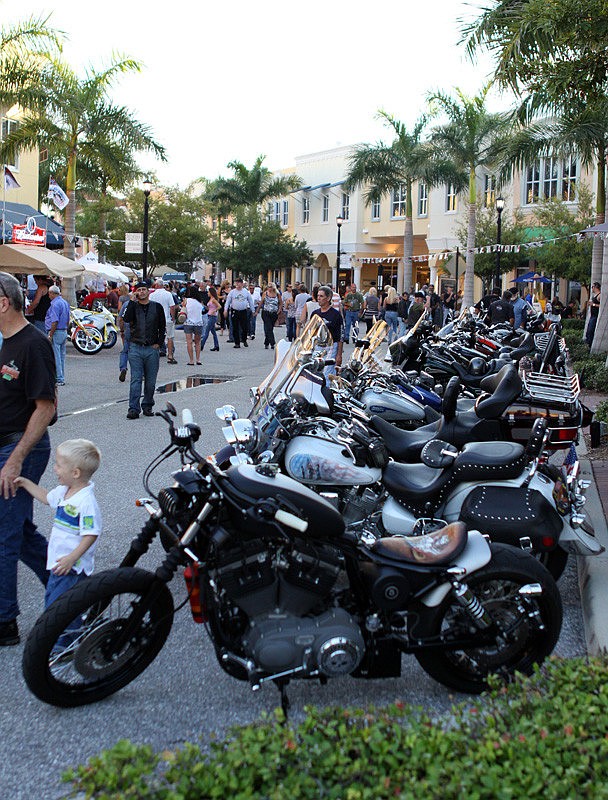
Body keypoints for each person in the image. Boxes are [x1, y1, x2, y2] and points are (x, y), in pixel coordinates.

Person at [0, 271, 56, 646]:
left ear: (3, 302)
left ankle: (5, 620)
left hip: (23, 447)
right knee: (19, 530)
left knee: (4, 535)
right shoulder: (5, 342)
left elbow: (46, 407)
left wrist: (16, 459)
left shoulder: (33, 344)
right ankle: (70, 589)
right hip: (7, 445)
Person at [14, 439, 102, 624]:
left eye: (59, 465)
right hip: (59, 562)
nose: (55, 468)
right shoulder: (64, 491)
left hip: (72, 567)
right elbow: (46, 498)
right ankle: (63, 639)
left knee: (63, 610)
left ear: (75, 473)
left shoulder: (85, 501)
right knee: (54, 603)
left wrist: (72, 558)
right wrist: (25, 483)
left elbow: (91, 533)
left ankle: (64, 647)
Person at [123, 280, 166, 420]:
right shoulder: (133, 307)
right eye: (139, 290)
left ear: (148, 291)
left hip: (151, 348)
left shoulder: (157, 307)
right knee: (136, 379)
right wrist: (131, 301)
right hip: (136, 347)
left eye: (143, 290)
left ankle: (147, 405)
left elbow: (162, 326)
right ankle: (133, 408)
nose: (141, 292)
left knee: (150, 381)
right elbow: (127, 319)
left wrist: (159, 343)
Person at [311, 285, 344, 379]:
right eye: (318, 296)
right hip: (318, 347)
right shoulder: (315, 314)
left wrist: (339, 355)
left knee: (326, 373)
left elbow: (340, 336)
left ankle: (327, 390)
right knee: (314, 372)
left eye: (321, 296)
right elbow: (311, 332)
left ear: (328, 298)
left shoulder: (335, 315)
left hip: (331, 347)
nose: (318, 298)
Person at [45, 284, 70, 386]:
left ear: (52, 293)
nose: (49, 295)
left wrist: (50, 334)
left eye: (49, 293)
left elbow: (54, 321)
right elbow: (68, 318)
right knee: (61, 356)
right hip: (63, 330)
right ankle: (61, 376)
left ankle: (59, 378)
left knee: (56, 356)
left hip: (56, 331)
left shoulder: (55, 304)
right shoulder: (64, 303)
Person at [150, 279, 178, 363]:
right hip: (167, 318)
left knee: (154, 337)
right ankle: (170, 355)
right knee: (170, 337)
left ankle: (154, 354)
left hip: (155, 319)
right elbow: (172, 307)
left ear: (157, 285)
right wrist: (173, 317)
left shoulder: (152, 295)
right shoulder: (168, 294)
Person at [224, 277, 254, 348]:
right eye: (236, 283)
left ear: (242, 284)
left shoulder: (246, 292)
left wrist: (253, 311)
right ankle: (237, 342)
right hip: (235, 311)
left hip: (243, 311)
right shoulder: (232, 292)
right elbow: (228, 302)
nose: (238, 284)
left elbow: (250, 301)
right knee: (235, 327)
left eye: (239, 283)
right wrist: (225, 310)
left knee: (244, 327)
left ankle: (244, 339)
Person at [181, 284, 204, 365]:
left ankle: (191, 360)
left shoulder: (186, 300)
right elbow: (203, 310)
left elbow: (183, 309)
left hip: (188, 322)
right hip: (198, 323)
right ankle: (198, 359)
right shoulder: (200, 301)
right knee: (198, 342)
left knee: (189, 342)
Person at [256, 282, 282, 350]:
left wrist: (279, 310)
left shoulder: (277, 294)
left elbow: (280, 303)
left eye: (270, 287)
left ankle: (266, 342)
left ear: (273, 287)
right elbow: (261, 302)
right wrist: (257, 311)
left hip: (274, 313)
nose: (269, 288)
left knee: (270, 328)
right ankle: (272, 343)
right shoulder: (265, 293)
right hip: (266, 312)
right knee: (268, 327)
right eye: (268, 287)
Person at [117, 284, 132, 382]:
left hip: (128, 329)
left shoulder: (124, 301)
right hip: (138, 331)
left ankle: (123, 368)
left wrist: (121, 330)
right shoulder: (130, 298)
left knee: (125, 351)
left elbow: (120, 316)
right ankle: (141, 373)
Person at [200, 285, 221, 352]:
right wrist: (204, 305)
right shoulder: (211, 299)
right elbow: (209, 308)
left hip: (212, 316)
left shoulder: (214, 300)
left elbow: (219, 306)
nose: (207, 293)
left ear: (211, 293)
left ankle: (202, 345)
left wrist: (214, 310)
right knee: (213, 332)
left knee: (207, 331)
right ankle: (216, 345)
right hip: (209, 315)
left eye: (208, 292)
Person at [585, 282, 601, 347]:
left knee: (591, 330)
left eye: (593, 287)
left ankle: (590, 344)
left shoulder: (599, 295)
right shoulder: (594, 295)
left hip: (595, 316)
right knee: (588, 331)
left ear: (596, 287)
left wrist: (593, 304)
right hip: (592, 315)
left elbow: (602, 306)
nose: (592, 288)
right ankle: (588, 344)